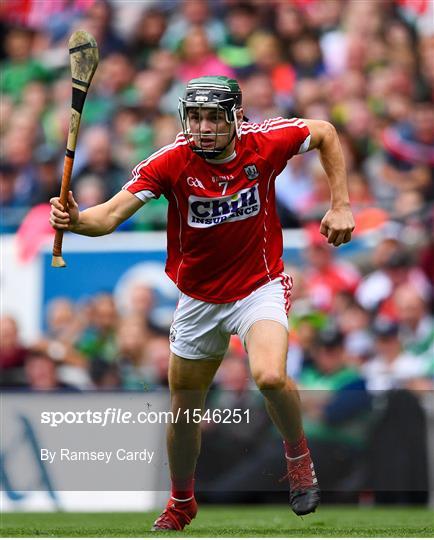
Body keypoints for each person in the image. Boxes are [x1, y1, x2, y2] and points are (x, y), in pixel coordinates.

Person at [49, 75, 355, 531]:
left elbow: (326, 132)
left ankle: (298, 458)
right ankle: (181, 502)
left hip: (259, 285)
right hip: (198, 301)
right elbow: (108, 216)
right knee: (184, 413)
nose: (204, 126)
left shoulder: (265, 143)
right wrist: (75, 220)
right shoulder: (171, 161)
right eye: (195, 116)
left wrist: (341, 204)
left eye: (213, 117)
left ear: (235, 117)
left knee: (270, 376)